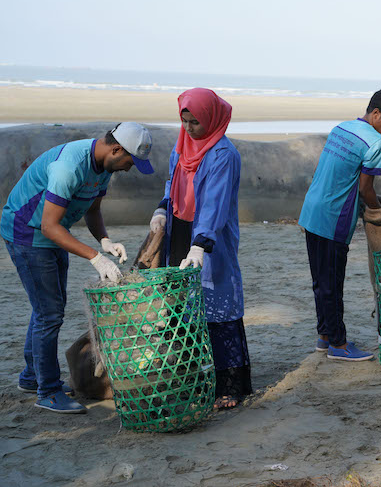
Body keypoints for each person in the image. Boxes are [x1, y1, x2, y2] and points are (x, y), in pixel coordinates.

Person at [2, 122, 154, 413]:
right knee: (50, 314)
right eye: (130, 161)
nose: (129, 168)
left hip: (54, 233)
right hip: (29, 234)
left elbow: (93, 210)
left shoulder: (104, 167)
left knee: (47, 307)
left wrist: (105, 241)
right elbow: (48, 226)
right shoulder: (68, 168)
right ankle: (47, 392)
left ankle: (31, 377)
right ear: (116, 149)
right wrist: (95, 257)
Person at [149, 88, 251, 409]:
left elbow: (215, 204)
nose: (190, 128)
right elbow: (172, 183)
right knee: (180, 305)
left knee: (219, 306)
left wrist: (200, 244)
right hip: (180, 232)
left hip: (210, 237)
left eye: (196, 122)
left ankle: (230, 386)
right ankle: (190, 376)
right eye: (185, 121)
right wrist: (163, 208)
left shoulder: (224, 155)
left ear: (211, 118)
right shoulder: (181, 148)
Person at [299, 88, 381, 361]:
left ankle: (324, 336)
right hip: (333, 218)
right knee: (332, 284)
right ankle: (339, 345)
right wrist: (378, 213)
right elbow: (366, 188)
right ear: (375, 113)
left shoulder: (341, 128)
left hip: (312, 209)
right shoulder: (375, 143)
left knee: (320, 280)